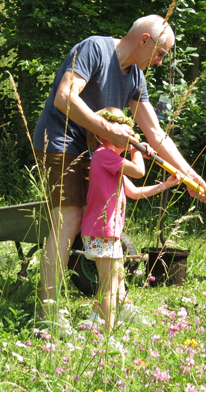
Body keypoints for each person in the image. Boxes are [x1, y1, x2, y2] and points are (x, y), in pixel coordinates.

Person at [32, 14, 206, 336]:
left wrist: (188, 173)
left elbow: (154, 132)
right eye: (159, 53)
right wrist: (107, 130)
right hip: (60, 142)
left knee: (107, 225)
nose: (158, 62)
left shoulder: (135, 78)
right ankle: (48, 312)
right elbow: (64, 96)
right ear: (144, 39)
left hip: (98, 151)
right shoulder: (93, 49)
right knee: (69, 219)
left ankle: (116, 304)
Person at [80, 108, 182, 336]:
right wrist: (138, 149)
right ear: (105, 133)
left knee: (114, 279)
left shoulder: (111, 161)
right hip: (101, 231)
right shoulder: (103, 155)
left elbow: (134, 192)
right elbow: (138, 171)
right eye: (125, 131)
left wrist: (166, 184)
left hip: (106, 232)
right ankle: (106, 334)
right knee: (110, 285)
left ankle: (93, 322)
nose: (129, 134)